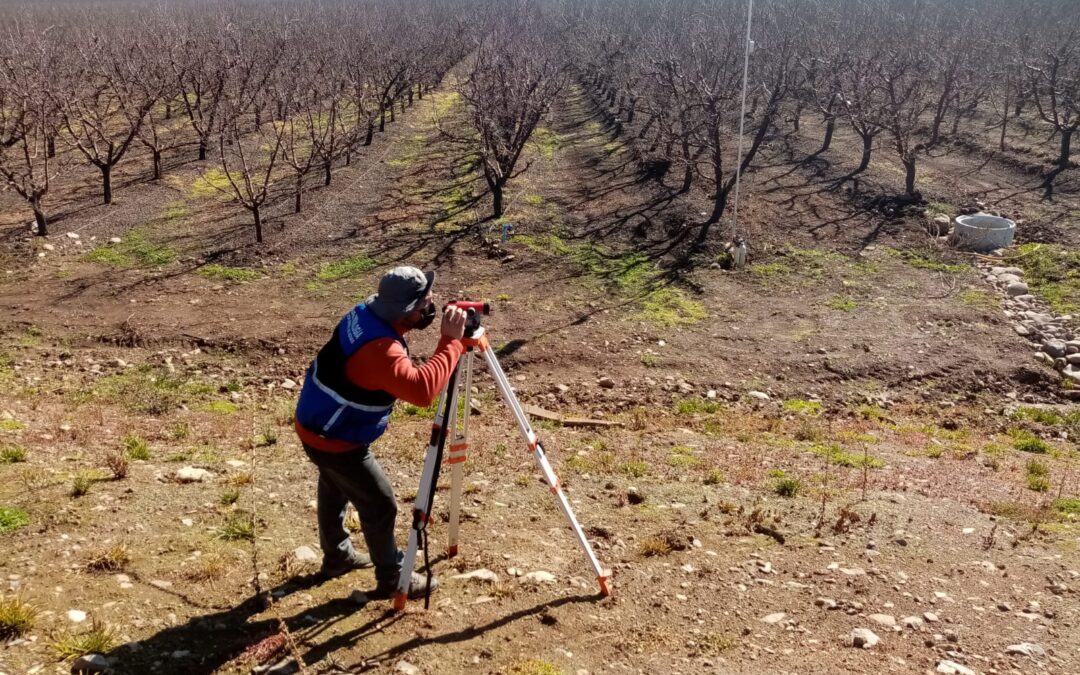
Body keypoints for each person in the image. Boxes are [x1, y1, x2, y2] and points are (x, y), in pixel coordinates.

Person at [294, 266, 467, 599]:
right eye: (424, 305)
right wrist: (451, 342)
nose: (430, 308)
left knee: (334, 486)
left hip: (317, 425)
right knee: (381, 503)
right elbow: (421, 391)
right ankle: (392, 577)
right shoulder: (380, 349)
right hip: (337, 440)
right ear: (403, 312)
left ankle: (337, 557)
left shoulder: (366, 312)